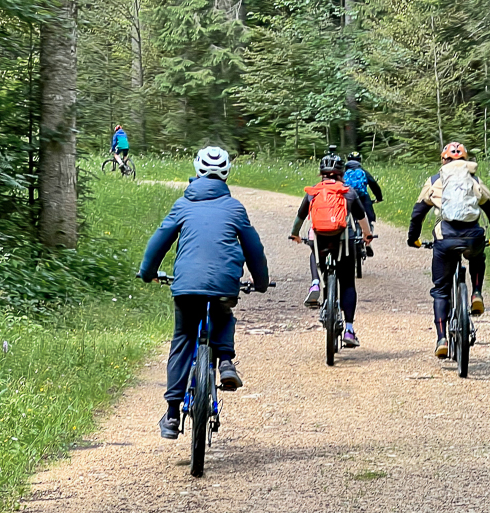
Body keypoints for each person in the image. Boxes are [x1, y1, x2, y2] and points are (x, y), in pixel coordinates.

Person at [139, 146, 270, 439]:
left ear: (197, 171)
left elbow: (158, 241)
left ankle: (172, 415)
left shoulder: (183, 205)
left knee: (183, 339)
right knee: (223, 313)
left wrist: (148, 273)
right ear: (226, 175)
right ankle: (225, 361)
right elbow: (254, 249)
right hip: (225, 283)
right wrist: (261, 281)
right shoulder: (235, 207)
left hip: (186, 285)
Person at [406, 142, 490, 358]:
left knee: (441, 291)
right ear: (466, 161)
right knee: (478, 256)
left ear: (443, 160)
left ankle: (442, 338)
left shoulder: (435, 181)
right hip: (473, 237)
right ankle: (476, 293)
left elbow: (418, 213)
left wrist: (413, 239)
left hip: (446, 238)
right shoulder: (474, 179)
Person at [289, 154, 373, 347]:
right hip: (345, 240)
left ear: (321, 174)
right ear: (341, 173)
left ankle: (316, 283)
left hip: (320, 239)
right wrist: (367, 236)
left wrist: (295, 234)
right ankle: (350, 330)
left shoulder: (313, 192)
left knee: (314, 250)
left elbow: (300, 217)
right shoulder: (348, 191)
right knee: (348, 283)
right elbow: (361, 218)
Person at [344, 151, 384, 256]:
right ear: (360, 161)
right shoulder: (363, 172)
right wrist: (379, 198)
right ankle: (367, 242)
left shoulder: (343, 172)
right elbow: (374, 185)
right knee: (368, 219)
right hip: (362, 198)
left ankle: (345, 240)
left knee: (343, 218)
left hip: (347, 198)